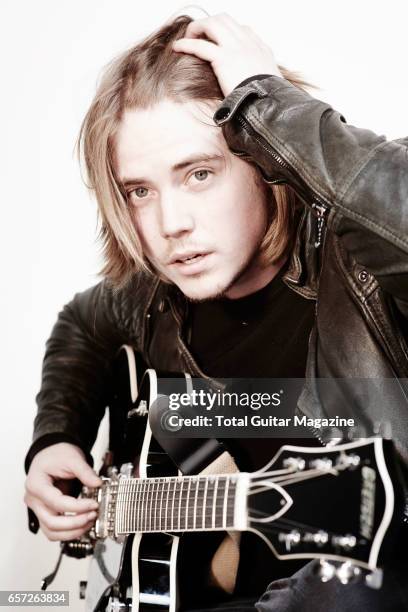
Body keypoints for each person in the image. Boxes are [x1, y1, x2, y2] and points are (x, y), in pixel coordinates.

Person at [24, 12, 408, 612]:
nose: (169, 224)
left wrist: (271, 104)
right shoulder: (155, 296)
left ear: (262, 161)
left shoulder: (359, 268)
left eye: (199, 173)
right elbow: (83, 323)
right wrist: (55, 439)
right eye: (140, 191)